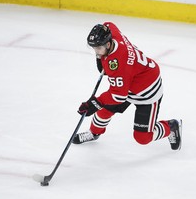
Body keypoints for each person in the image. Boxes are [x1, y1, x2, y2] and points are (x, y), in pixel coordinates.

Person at [73, 22, 182, 150]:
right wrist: (100, 58)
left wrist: (95, 103)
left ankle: (172, 127)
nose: (96, 51)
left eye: (98, 48)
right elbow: (108, 24)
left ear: (108, 44)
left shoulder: (118, 65)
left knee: (142, 138)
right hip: (129, 82)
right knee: (103, 112)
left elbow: (118, 95)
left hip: (146, 92)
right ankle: (94, 133)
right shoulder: (112, 34)